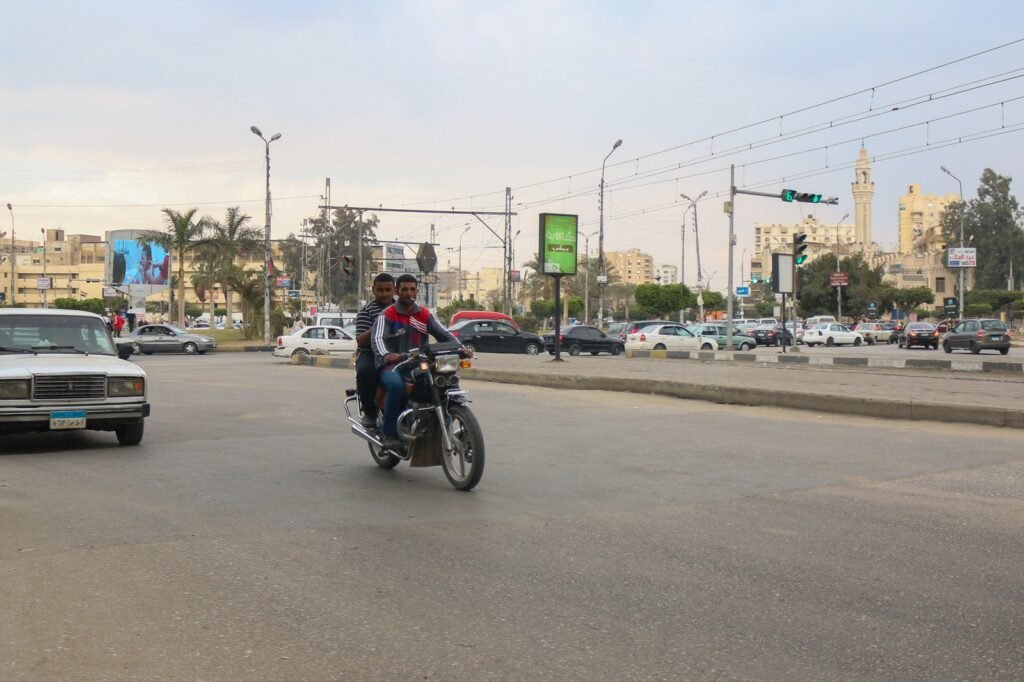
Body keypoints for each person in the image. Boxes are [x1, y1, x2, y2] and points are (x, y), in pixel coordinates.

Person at [371, 274, 465, 449]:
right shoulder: (387, 315)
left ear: (417, 290)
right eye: (404, 289)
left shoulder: (423, 314)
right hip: (393, 366)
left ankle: (451, 421)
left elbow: (445, 335)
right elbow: (378, 340)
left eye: (412, 289)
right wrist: (387, 355)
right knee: (396, 386)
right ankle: (389, 433)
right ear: (397, 291)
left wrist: (461, 348)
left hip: (420, 364)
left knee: (447, 381)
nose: (409, 293)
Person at [354, 273, 395, 429]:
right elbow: (360, 340)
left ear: (394, 291)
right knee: (366, 371)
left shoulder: (403, 309)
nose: (384, 293)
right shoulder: (367, 311)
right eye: (380, 290)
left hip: (397, 351)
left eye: (387, 290)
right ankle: (370, 412)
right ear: (374, 290)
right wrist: (379, 325)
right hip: (370, 352)